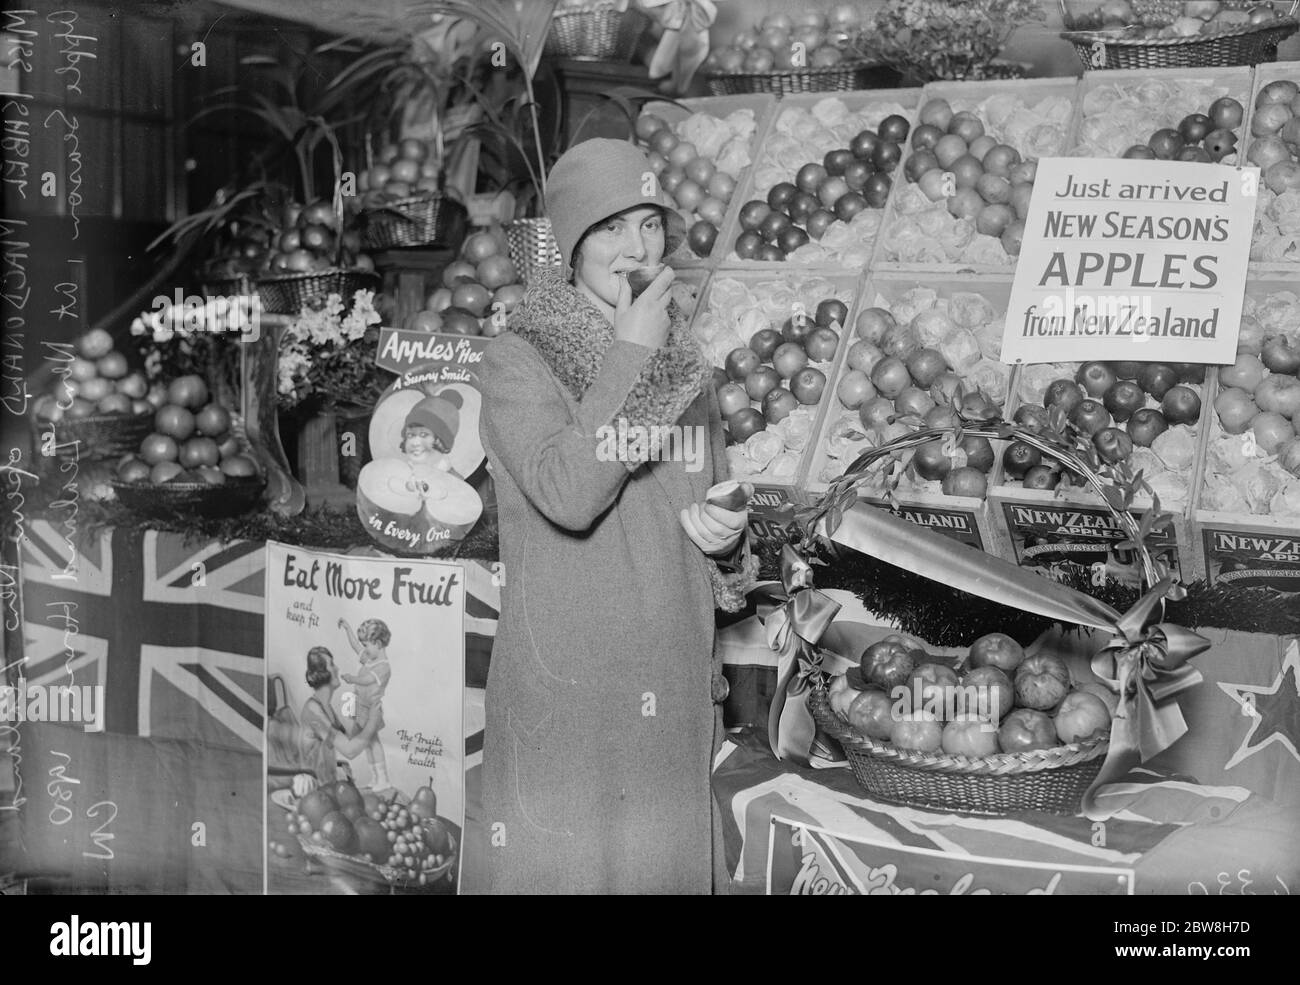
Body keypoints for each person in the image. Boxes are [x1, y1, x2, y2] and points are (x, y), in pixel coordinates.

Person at [477, 138, 757, 894]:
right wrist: (632, 357)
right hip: (573, 696)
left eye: (650, 224)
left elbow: (707, 498)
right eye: (610, 228)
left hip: (670, 685)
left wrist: (728, 539)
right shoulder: (517, 360)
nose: (637, 247)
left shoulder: (680, 356)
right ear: (571, 244)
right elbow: (569, 494)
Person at [298, 646, 386, 787]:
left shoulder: (326, 706)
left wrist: (360, 712)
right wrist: (372, 721)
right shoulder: (313, 711)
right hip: (315, 791)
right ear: (322, 673)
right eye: (332, 664)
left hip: (329, 783)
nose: (337, 669)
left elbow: (349, 739)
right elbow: (349, 750)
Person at [339, 618, 394, 791]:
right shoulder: (370, 658)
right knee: (367, 743)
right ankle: (375, 778)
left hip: (372, 710)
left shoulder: (383, 667)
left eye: (367, 645)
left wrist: (352, 679)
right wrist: (347, 628)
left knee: (374, 741)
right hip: (361, 707)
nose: (364, 649)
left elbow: (367, 680)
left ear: (378, 643)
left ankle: (383, 779)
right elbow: (356, 646)